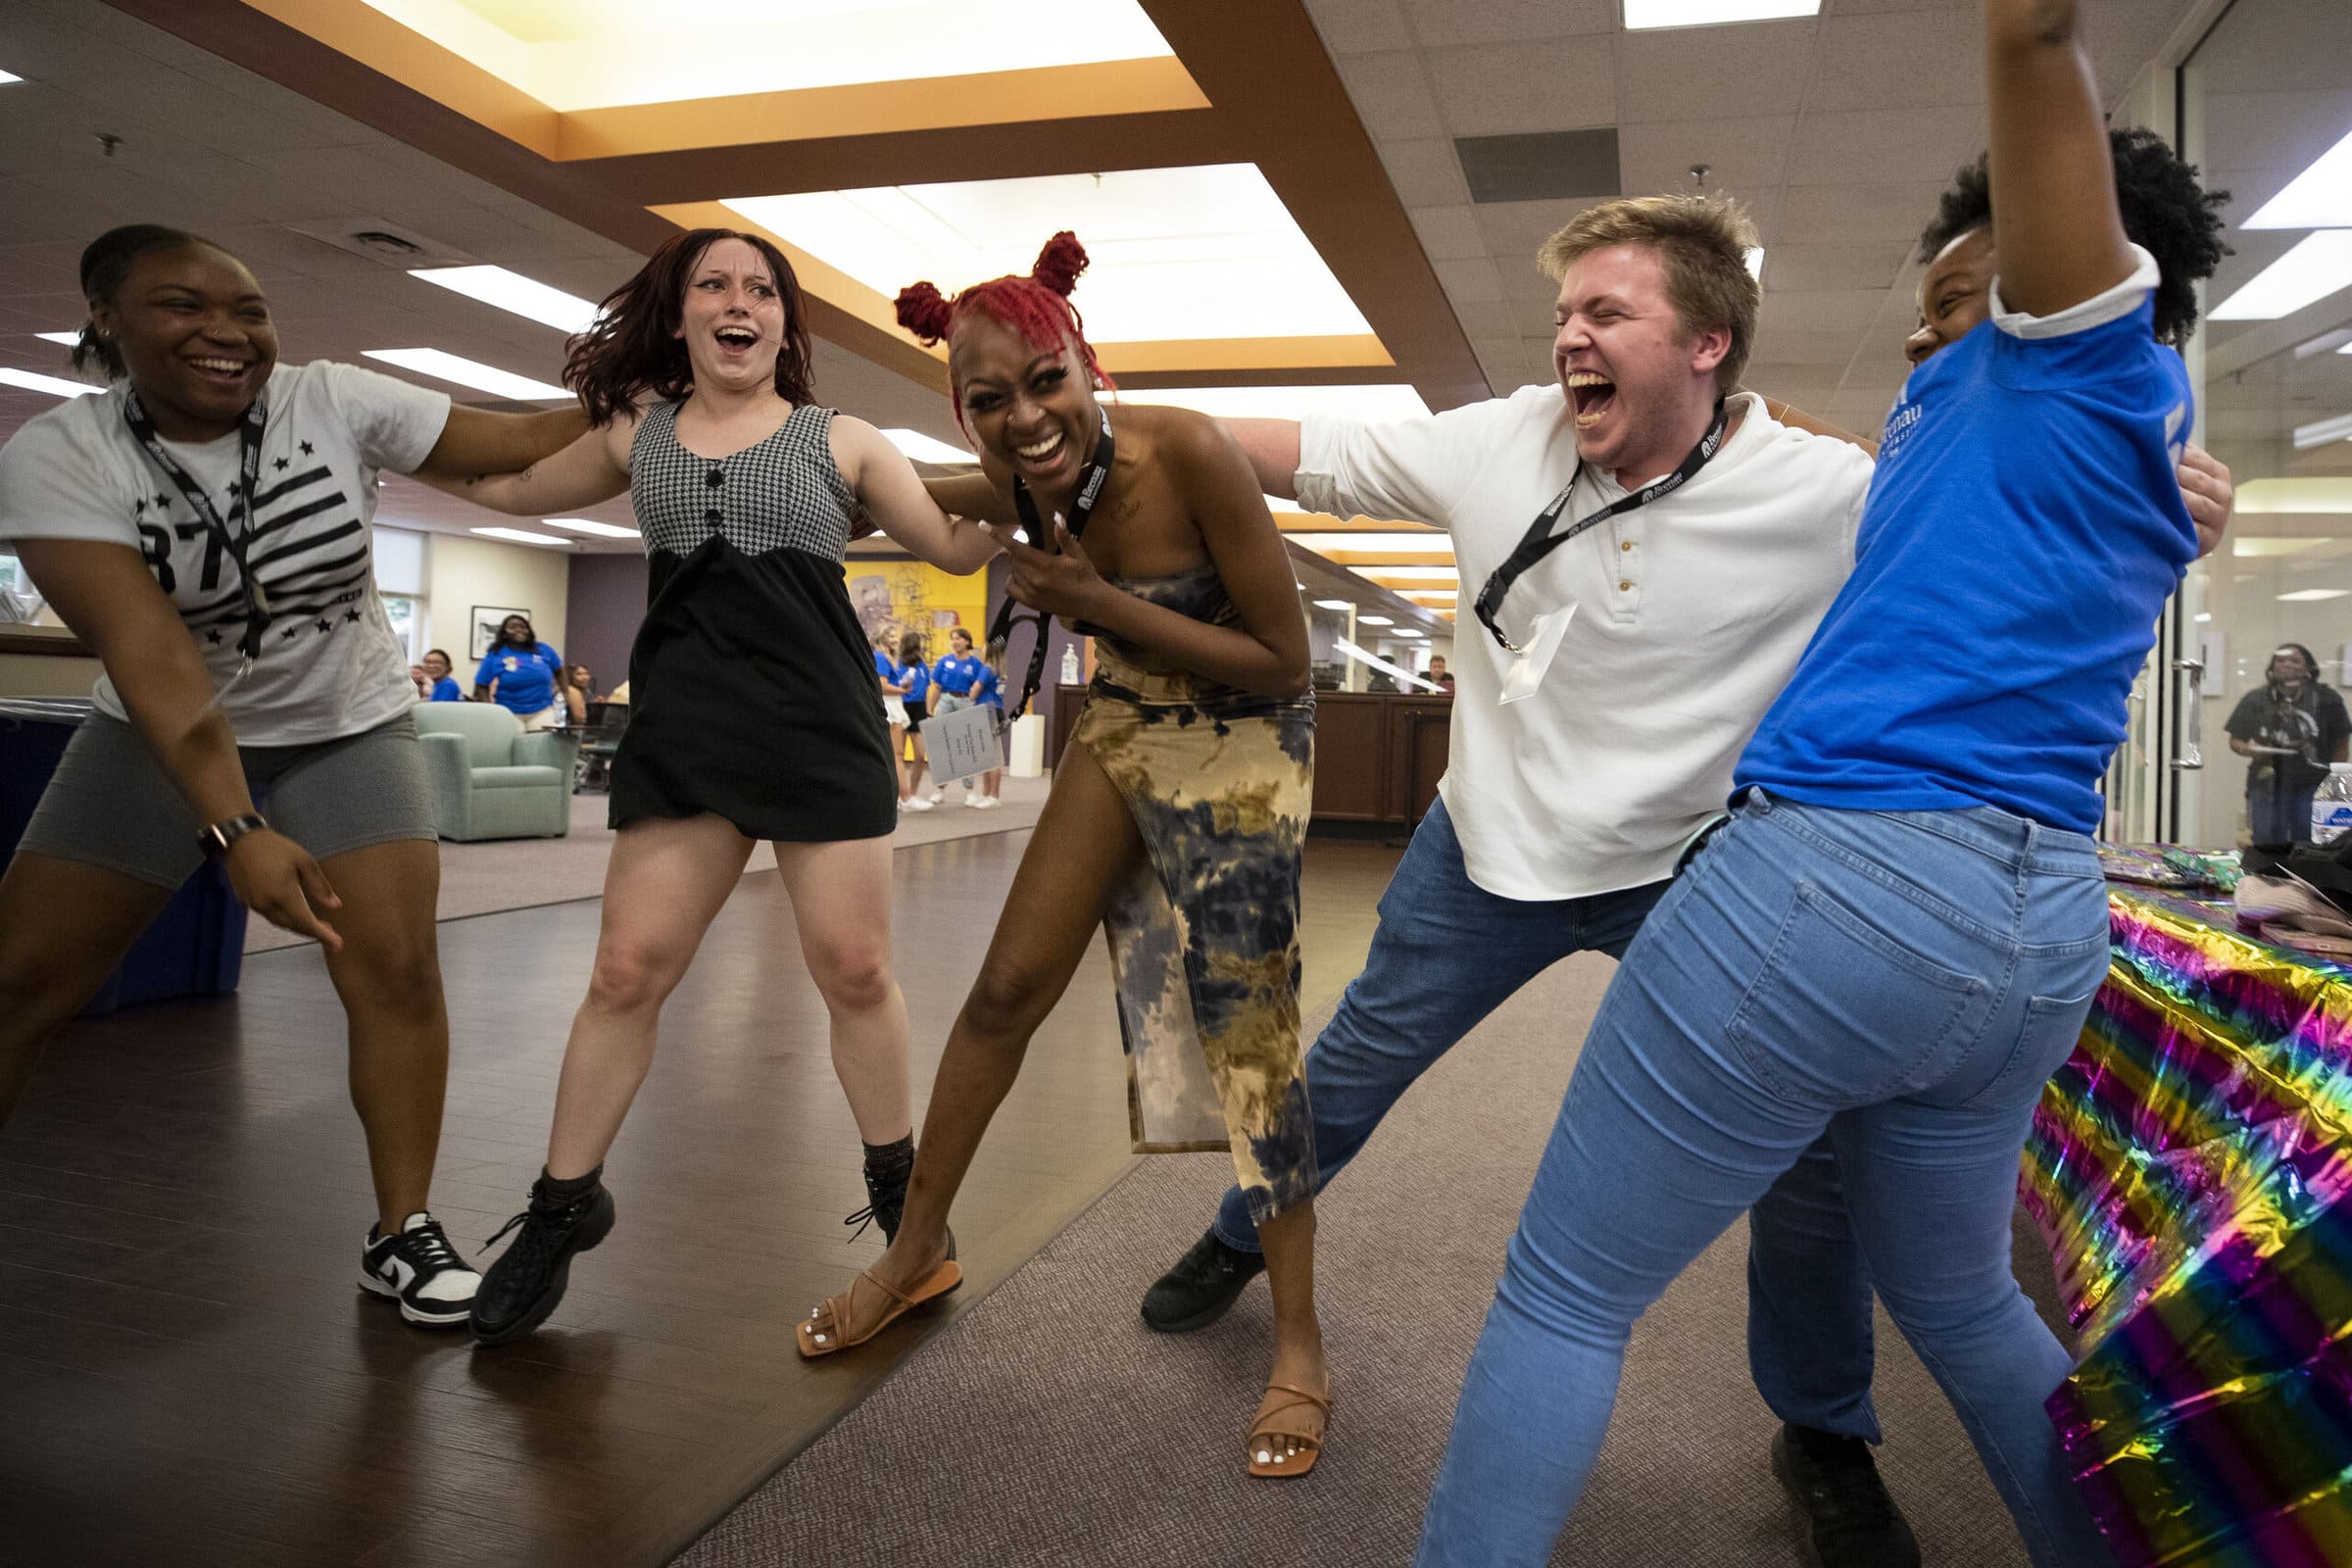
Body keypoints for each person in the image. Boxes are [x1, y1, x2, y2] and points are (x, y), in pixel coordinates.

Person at [1135, 189, 2233, 1565]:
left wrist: (2173, 482)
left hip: (1697, 868)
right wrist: (1131, 422)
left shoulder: (1833, 488)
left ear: (1709, 342)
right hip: (1493, 849)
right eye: (1560, 318)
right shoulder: (1496, 444)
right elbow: (1295, 451)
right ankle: (1240, 1233)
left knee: (1812, 1176)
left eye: (1604, 313)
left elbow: (2011, 509)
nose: (1568, 341)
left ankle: (1824, 1432)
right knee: (1349, 1069)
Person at [1413, 4, 2230, 1562]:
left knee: (1567, 1287)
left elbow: (2040, 54)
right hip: (2037, 930)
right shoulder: (2113, 440)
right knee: (1962, 1298)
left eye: (1964, 300)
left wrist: (2027, 41)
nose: (1933, 337)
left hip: (1845, 883)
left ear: (2067, 281)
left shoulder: (2072, 355)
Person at [798, 234, 1330, 1481]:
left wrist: (1093, 606)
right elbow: (912, 498)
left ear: (1087, 365)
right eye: (989, 400)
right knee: (1001, 991)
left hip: (1247, 733)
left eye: (1045, 382)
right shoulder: (1025, 473)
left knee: (1249, 1037)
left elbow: (1286, 659)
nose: (1025, 420)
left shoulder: (1186, 449)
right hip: (1133, 715)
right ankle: (913, 1249)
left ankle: (1299, 1339)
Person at [0, 222, 589, 1326]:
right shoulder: (58, 454)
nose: (226, 332)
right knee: (21, 979)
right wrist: (233, 830)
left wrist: (636, 396)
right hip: (155, 734)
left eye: (249, 310)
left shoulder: (332, 401)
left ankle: (401, 1234)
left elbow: (509, 441)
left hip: (346, 723)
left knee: (398, 970)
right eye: (183, 305)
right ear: (107, 322)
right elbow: (158, 663)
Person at [425, 227, 999, 1346]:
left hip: (818, 729)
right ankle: (560, 1207)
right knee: (626, 971)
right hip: (688, 734)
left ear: (785, 322)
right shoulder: (639, 436)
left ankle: (907, 1215)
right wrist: (389, 443)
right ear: (681, 315)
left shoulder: (844, 440)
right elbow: (518, 489)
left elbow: (949, 541)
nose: (740, 304)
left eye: (761, 291)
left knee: (854, 968)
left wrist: (1031, 504)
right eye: (714, 286)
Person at [2226, 643, 2348, 844]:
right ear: (2272, 667)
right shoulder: (2256, 699)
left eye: (2295, 660)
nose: (2286, 664)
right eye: (2280, 660)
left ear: (2308, 668)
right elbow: (2235, 740)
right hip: (2267, 782)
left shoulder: (2328, 699)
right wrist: (2252, 751)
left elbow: (2342, 744)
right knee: (2266, 841)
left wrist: (2334, 785)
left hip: (2314, 784)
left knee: (2310, 841)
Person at [927, 624, 999, 808]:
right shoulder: (944, 661)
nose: (955, 641)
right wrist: (929, 709)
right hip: (946, 700)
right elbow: (937, 688)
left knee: (967, 747)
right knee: (941, 746)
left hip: (966, 701)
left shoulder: (976, 664)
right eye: (952, 638)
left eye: (958, 638)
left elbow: (981, 687)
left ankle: (969, 791)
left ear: (967, 641)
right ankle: (939, 790)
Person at [472, 613, 563, 730]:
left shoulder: (544, 649)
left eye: (522, 626)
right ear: (504, 633)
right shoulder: (495, 655)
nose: (518, 629)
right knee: (511, 746)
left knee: (542, 746)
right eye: (512, 627)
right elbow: (481, 684)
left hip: (542, 710)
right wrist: (490, 709)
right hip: (509, 712)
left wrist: (564, 691)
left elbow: (559, 670)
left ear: (529, 630)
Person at [895, 629, 937, 808]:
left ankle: (913, 793)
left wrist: (928, 710)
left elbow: (926, 690)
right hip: (902, 706)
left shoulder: (922, 666)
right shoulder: (897, 664)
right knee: (899, 754)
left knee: (920, 754)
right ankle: (900, 795)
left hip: (918, 708)